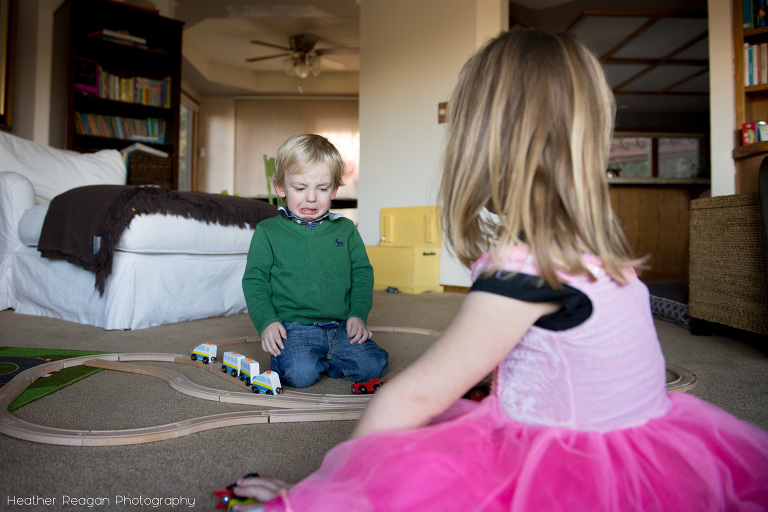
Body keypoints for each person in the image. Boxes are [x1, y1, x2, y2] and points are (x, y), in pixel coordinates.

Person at [229, 28, 768, 511]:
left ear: (479, 145)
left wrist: (317, 495)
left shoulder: (523, 272)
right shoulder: (590, 247)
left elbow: (411, 397)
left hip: (575, 471)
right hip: (648, 450)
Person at [242, 133, 388, 389]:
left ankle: (326, 359)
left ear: (334, 190)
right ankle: (315, 360)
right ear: (280, 187)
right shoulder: (267, 231)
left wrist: (358, 314)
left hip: (341, 327)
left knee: (373, 366)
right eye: (300, 188)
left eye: (322, 189)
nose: (311, 197)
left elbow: (362, 273)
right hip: (294, 328)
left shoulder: (346, 229)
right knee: (300, 374)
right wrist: (267, 322)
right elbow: (255, 281)